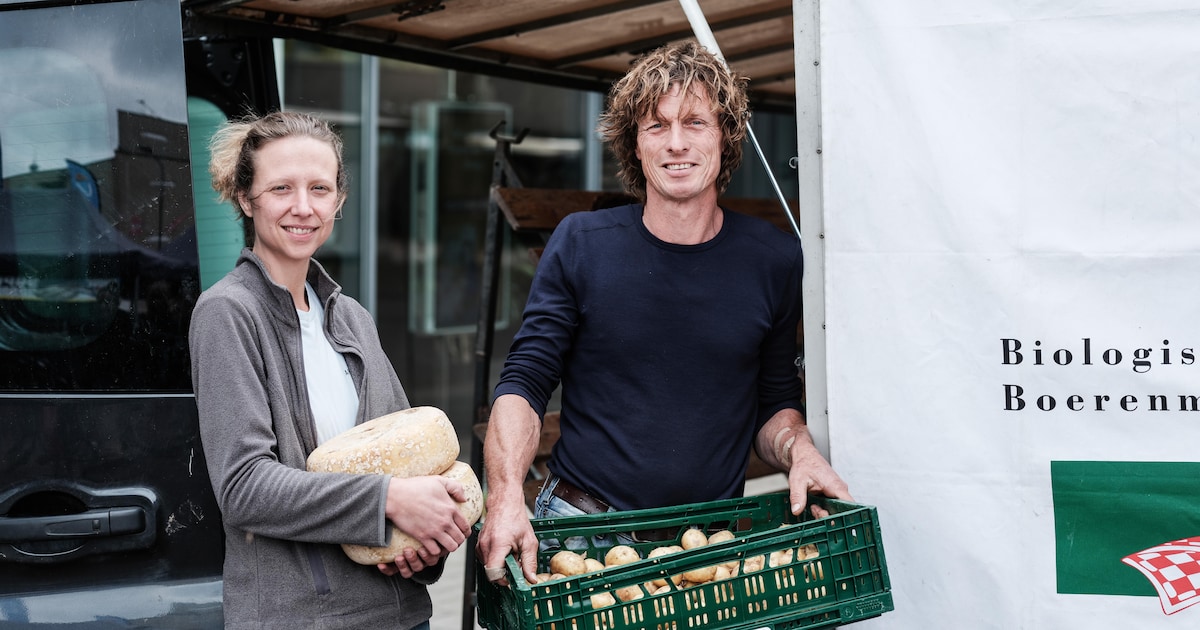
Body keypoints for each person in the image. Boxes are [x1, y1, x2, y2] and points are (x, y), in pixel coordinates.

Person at [476, 41, 852, 585]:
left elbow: (774, 402)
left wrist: (801, 451)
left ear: (725, 136)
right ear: (636, 143)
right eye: (657, 126)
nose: (676, 143)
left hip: (707, 549)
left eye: (695, 122)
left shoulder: (772, 260)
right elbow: (525, 382)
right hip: (582, 535)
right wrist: (507, 495)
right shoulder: (582, 243)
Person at [189, 110, 471, 629]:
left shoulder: (352, 318)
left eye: (319, 188)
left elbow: (410, 468)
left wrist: (422, 548)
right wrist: (388, 500)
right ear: (246, 198)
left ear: (338, 201)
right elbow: (245, 489)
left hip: (400, 616)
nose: (303, 207)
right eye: (281, 188)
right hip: (304, 619)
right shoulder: (227, 313)